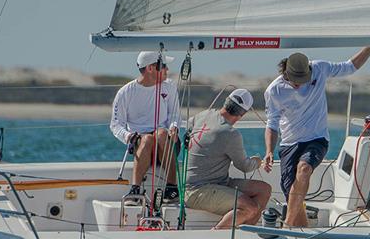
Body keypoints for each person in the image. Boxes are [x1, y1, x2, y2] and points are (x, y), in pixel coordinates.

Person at [264, 47, 370, 227]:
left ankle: (287, 225)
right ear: (285, 73)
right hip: (289, 143)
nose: (300, 85)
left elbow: (350, 66)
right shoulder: (274, 90)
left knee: (304, 169)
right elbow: (272, 124)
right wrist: (269, 151)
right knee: (293, 196)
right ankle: (301, 230)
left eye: (303, 80)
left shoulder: (319, 68)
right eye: (295, 81)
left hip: (317, 138)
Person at [184, 89, 272, 229]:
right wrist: (258, 160)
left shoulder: (204, 115)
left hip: (217, 183)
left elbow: (189, 126)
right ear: (241, 114)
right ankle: (215, 235)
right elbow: (245, 166)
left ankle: (245, 234)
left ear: (226, 102)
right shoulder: (229, 133)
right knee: (250, 208)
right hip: (197, 191)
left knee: (264, 189)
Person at [110, 51, 181, 202]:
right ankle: (135, 190)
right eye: (164, 66)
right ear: (150, 68)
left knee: (161, 133)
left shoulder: (170, 87)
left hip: (166, 141)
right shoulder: (125, 93)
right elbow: (116, 125)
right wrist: (128, 136)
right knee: (147, 139)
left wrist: (174, 127)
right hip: (141, 143)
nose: (167, 70)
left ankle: (172, 188)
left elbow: (174, 115)